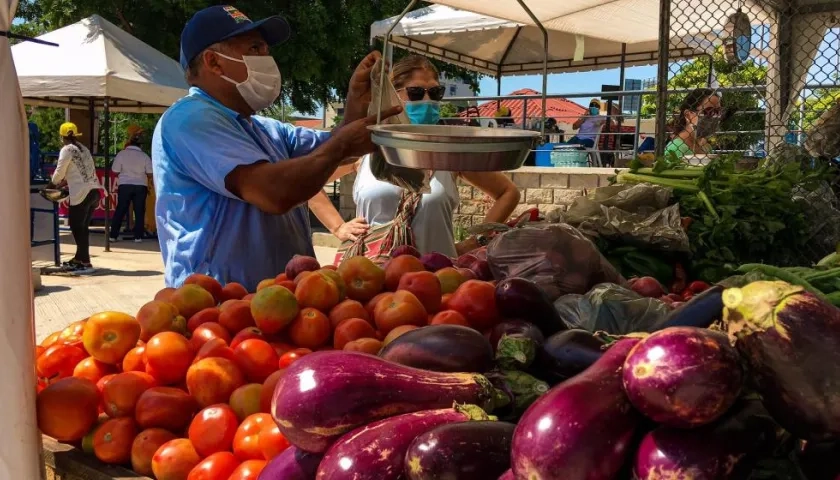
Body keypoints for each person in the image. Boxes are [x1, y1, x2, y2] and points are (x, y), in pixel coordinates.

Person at [152, 5, 401, 291]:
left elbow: (339, 151)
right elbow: (273, 192)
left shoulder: (263, 128)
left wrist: (356, 102)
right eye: (255, 48)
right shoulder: (191, 119)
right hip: (220, 309)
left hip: (279, 304)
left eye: (266, 49)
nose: (267, 58)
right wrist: (342, 144)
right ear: (214, 62)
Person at [312, 55, 521, 257]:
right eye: (416, 93)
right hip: (372, 281)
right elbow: (311, 183)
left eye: (435, 92)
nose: (428, 100)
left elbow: (507, 192)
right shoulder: (369, 148)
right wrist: (338, 226)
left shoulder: (449, 153)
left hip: (438, 282)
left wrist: (475, 242)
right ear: (394, 95)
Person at [49, 122, 104, 274]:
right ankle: (80, 259)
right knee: (83, 228)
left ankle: (84, 262)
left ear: (62, 137)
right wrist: (67, 182)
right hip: (94, 191)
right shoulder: (83, 148)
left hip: (82, 193)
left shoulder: (67, 150)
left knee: (76, 227)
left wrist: (52, 185)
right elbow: (82, 171)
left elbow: (59, 172)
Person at [110, 124, 153, 243]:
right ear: (140, 145)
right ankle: (138, 237)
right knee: (139, 211)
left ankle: (113, 235)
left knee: (121, 210)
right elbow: (150, 173)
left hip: (125, 185)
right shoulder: (144, 156)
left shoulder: (121, 154)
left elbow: (115, 170)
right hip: (140, 186)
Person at [664, 88, 723, 160]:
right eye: (709, 111)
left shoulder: (705, 145)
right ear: (688, 115)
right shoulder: (675, 148)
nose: (714, 116)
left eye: (718, 111)